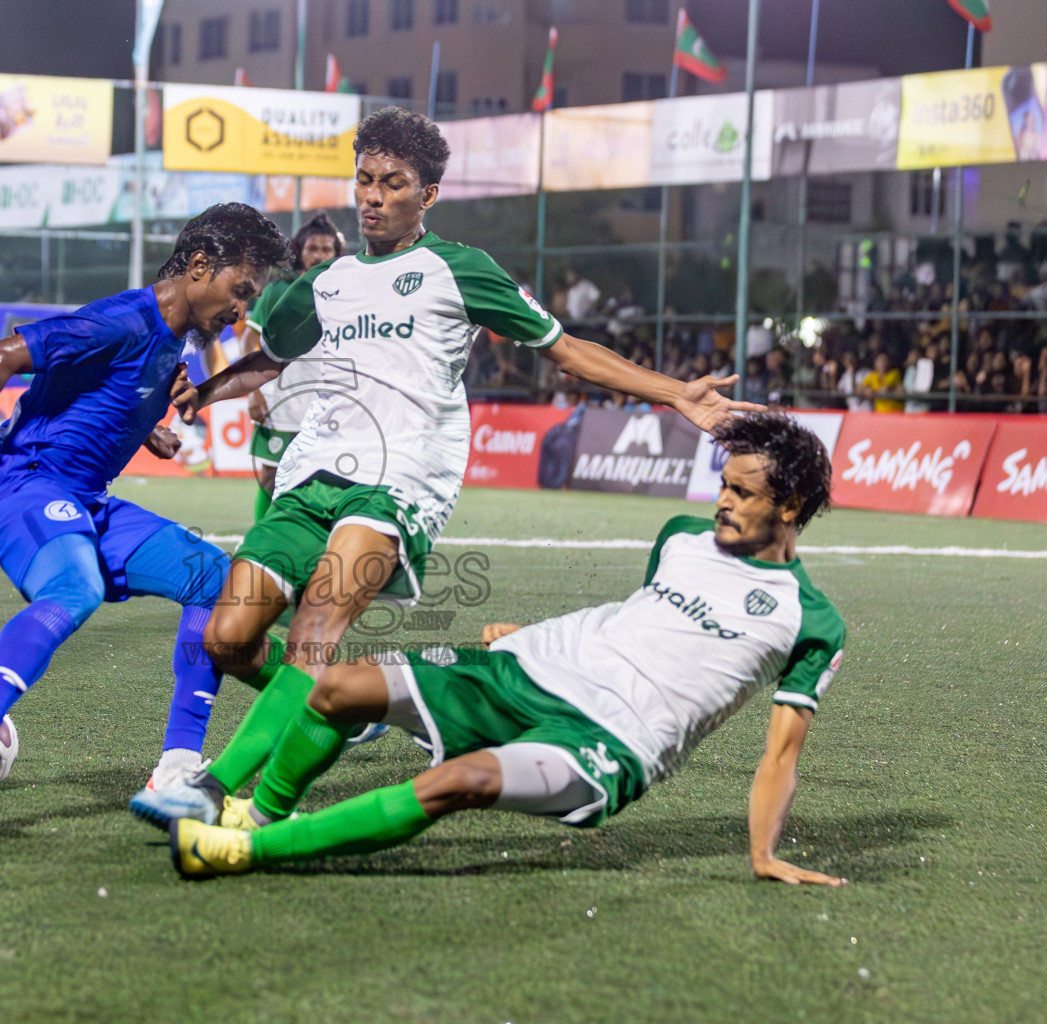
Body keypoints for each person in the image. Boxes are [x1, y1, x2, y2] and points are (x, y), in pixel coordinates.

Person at [129, 107, 762, 828]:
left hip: (400, 481)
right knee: (229, 640)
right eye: (364, 180)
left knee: (315, 629)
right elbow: (270, 361)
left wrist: (678, 393)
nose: (371, 195)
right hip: (310, 478)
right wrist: (202, 394)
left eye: (392, 183)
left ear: (426, 195)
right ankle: (337, 708)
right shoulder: (325, 284)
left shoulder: (458, 270)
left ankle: (223, 792)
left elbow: (565, 349)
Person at [162, 414, 849, 887]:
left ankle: (247, 849)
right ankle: (258, 811)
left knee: (458, 784)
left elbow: (781, 753)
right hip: (531, 669)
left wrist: (763, 853)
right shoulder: (679, 537)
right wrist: (528, 635)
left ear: (789, 506)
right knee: (335, 690)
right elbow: (639, 623)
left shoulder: (809, 620)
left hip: (613, 742)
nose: (721, 501)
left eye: (741, 492)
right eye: (723, 484)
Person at [0, 203, 291, 799]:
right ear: (198, 267)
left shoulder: (176, 344)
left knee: (215, 580)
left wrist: (149, 430)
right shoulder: (123, 320)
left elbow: (104, 392)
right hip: (22, 486)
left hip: (85, 499)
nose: (241, 309)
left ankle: (177, 767)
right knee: (76, 587)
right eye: (239, 290)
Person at [241, 212, 345, 522]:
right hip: (281, 402)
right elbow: (249, 341)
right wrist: (255, 392)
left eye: (327, 249)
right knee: (272, 477)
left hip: (327, 402)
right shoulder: (279, 289)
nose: (320, 255)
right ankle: (259, 544)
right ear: (299, 249)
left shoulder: (345, 290)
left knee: (327, 478)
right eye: (313, 248)